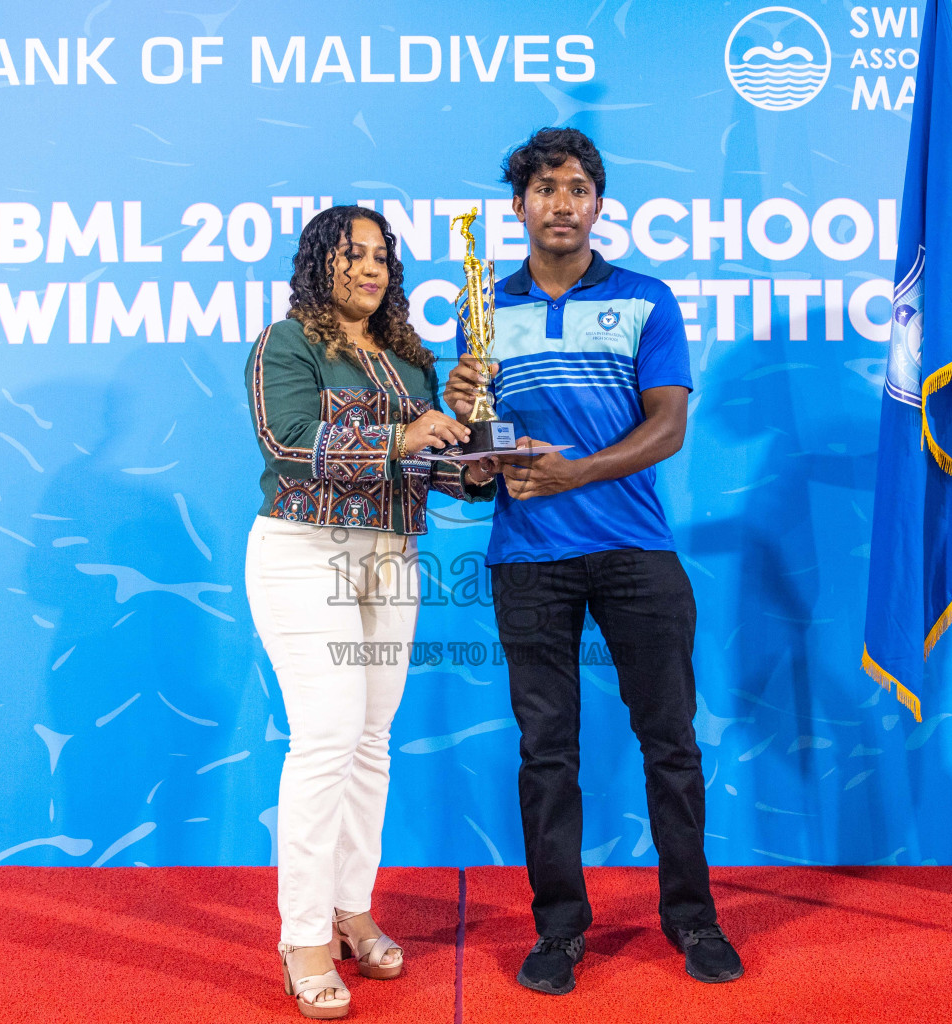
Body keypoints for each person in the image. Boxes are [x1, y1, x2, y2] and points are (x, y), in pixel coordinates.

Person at [444, 127, 743, 994]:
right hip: (528, 558)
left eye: (577, 188)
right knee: (547, 752)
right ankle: (560, 928)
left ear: (599, 203)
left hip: (635, 552)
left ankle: (692, 918)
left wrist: (578, 468)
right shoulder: (482, 309)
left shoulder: (647, 300)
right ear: (519, 207)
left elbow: (668, 426)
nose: (561, 203)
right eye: (545, 189)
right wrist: (466, 424)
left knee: (671, 744)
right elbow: (474, 468)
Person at [245, 205, 496, 1017]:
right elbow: (286, 441)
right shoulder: (288, 344)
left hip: (391, 561)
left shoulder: (411, 361)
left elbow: (443, 470)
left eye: (381, 254)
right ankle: (303, 937)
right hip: (303, 551)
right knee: (324, 740)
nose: (368, 266)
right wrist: (406, 434)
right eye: (350, 253)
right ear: (318, 263)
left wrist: (476, 447)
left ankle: (352, 909)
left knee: (371, 742)